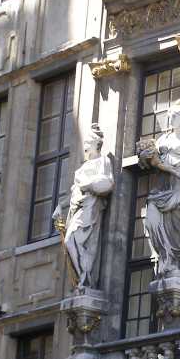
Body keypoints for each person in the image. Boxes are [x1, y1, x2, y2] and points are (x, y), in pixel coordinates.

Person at [138, 100, 180, 279]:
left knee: (177, 227)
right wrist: (144, 156)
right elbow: (151, 159)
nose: (171, 119)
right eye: (170, 116)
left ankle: (174, 262)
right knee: (151, 221)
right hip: (162, 187)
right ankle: (164, 257)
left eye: (174, 116)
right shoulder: (162, 140)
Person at [53, 124, 114, 290]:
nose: (85, 145)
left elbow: (108, 183)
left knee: (77, 241)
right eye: (85, 142)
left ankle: (86, 278)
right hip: (77, 208)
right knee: (70, 241)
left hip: (90, 207)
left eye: (88, 142)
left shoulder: (103, 161)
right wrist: (60, 206)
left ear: (96, 144)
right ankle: (83, 277)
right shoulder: (83, 167)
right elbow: (74, 192)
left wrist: (89, 184)